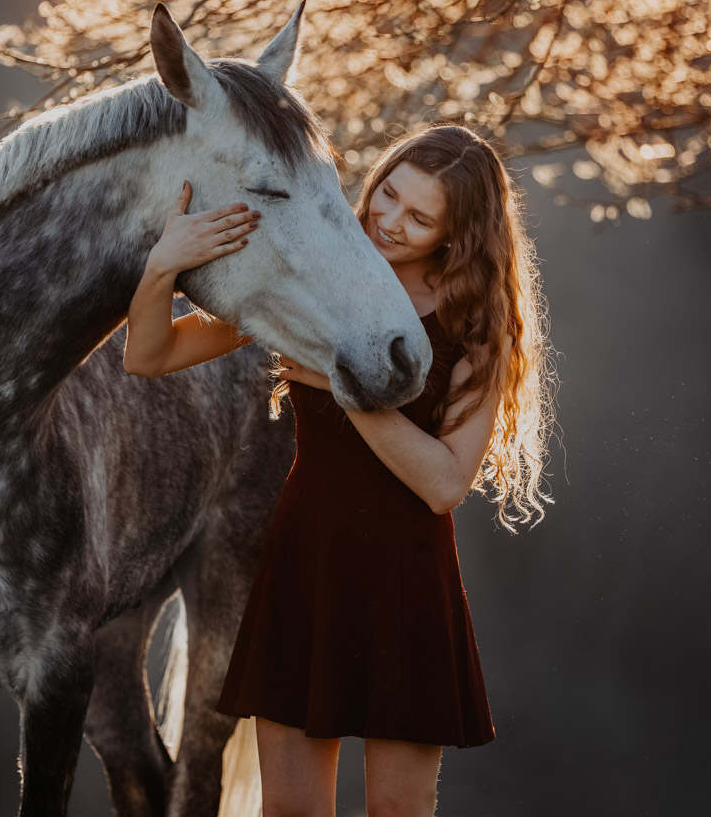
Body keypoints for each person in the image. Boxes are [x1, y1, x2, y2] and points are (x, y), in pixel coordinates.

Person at [123, 125, 554, 817]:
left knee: (396, 812)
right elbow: (149, 354)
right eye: (389, 194)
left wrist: (344, 383)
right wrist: (161, 267)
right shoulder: (307, 276)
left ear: (457, 234)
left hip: (408, 579)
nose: (389, 219)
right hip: (305, 562)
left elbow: (445, 483)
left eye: (420, 219)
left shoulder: (477, 322)